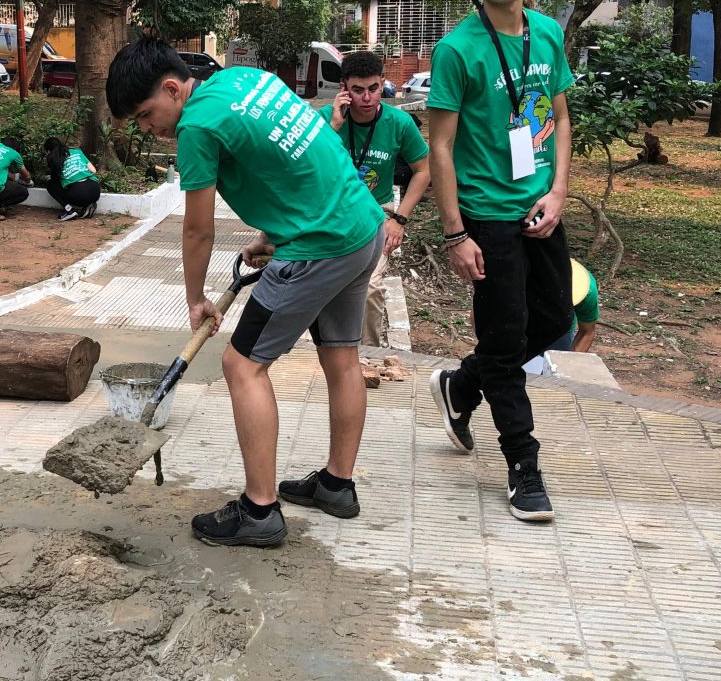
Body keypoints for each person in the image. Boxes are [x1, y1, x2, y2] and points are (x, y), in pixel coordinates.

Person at [107, 36, 385, 548]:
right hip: (362, 229)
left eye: (145, 115)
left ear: (172, 89)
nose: (147, 128)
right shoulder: (244, 80)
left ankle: (259, 512)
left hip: (318, 248)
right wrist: (270, 234)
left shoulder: (196, 126)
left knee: (241, 365)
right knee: (342, 357)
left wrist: (196, 300)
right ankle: (337, 485)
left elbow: (197, 230)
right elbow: (293, 160)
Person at [425, 0, 574, 524]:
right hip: (486, 216)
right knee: (506, 342)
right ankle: (523, 468)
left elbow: (559, 117)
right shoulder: (457, 50)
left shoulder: (548, 34)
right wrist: (455, 234)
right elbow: (439, 148)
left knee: (557, 321)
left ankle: (462, 384)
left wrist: (558, 191)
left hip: (541, 208)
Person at [331, 50, 431, 347]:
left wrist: (399, 219)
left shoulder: (399, 122)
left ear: (383, 83)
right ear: (344, 89)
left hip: (378, 213)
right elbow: (307, 168)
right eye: (357, 90)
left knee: (369, 287)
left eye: (373, 88)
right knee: (327, 286)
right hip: (335, 214)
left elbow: (424, 171)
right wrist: (334, 127)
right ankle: (334, 351)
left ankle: (368, 355)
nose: (366, 98)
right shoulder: (327, 120)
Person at [522, 258, 600, 372]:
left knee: (554, 370)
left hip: (562, 328)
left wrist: (568, 366)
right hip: (523, 318)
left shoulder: (588, 291)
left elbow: (586, 332)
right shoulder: (519, 280)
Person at [42, 136, 101, 221]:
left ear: (48, 150)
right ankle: (88, 205)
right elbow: (93, 170)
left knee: (51, 185)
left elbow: (55, 179)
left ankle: (69, 210)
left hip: (78, 194)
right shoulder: (77, 151)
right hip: (95, 190)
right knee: (81, 187)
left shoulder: (53, 158)